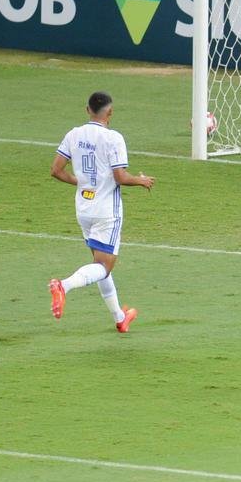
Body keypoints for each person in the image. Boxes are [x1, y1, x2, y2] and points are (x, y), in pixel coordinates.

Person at [48, 91, 154, 333]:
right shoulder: (113, 138)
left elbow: (56, 170)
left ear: (88, 110)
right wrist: (141, 180)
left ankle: (120, 318)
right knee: (103, 267)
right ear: (110, 112)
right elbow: (120, 176)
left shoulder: (74, 134)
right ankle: (63, 286)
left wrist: (81, 182)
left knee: (99, 265)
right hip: (106, 211)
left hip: (84, 208)